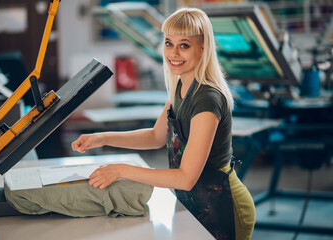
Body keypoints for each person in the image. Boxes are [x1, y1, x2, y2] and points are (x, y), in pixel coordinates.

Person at [72, 7, 255, 240]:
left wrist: (120, 170)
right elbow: (156, 136)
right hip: (195, 203)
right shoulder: (181, 86)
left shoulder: (207, 99)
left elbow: (185, 178)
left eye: (184, 45)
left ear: (203, 47)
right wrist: (103, 137)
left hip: (224, 208)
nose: (174, 52)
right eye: (169, 43)